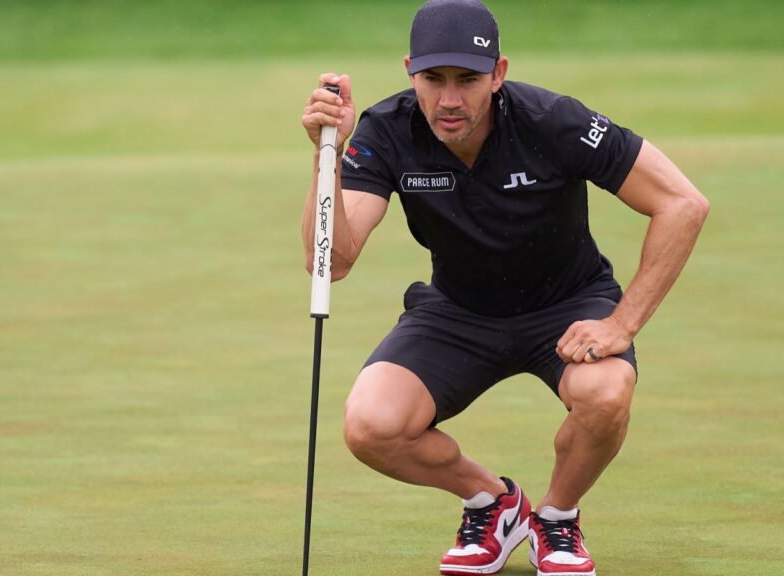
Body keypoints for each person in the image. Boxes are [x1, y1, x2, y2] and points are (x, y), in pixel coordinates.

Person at [300, 1, 708, 574]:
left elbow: (683, 204)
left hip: (566, 304)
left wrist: (622, 324)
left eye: (467, 79)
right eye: (432, 79)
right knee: (371, 426)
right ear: (409, 71)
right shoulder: (386, 129)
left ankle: (557, 519)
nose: (448, 99)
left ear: (498, 73)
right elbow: (334, 260)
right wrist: (328, 157)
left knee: (606, 393)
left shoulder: (554, 121)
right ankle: (495, 504)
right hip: (458, 312)